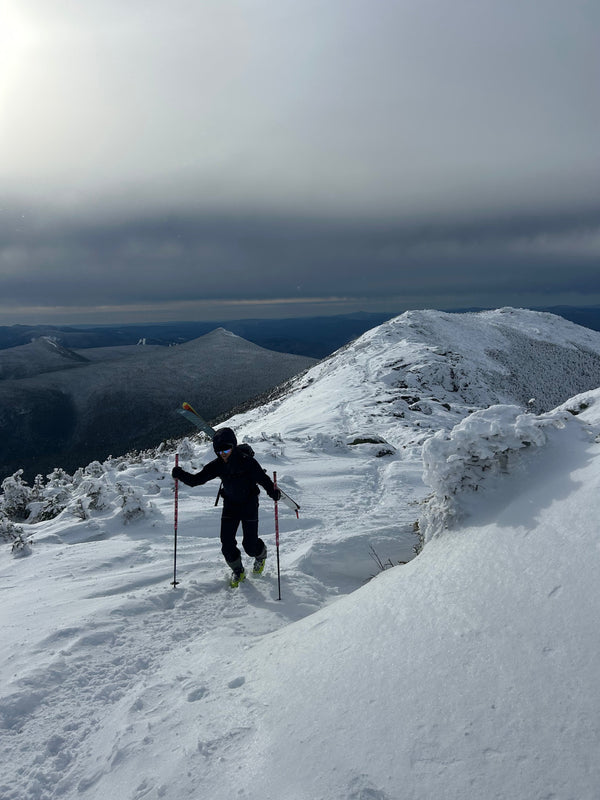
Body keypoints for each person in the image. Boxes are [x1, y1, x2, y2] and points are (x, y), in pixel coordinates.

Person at [171, 427, 281, 587]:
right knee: (227, 543)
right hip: (230, 505)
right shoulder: (217, 465)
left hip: (249, 504)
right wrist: (179, 474)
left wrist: (273, 492)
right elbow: (197, 480)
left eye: (226, 449)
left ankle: (261, 554)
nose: (223, 453)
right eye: (219, 451)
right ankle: (238, 571)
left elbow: (263, 479)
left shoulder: (247, 461)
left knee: (249, 546)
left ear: (234, 446)